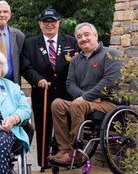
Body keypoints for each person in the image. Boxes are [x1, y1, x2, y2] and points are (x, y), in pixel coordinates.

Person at [48, 23, 123, 166]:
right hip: (85, 102)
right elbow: (70, 84)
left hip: (108, 103)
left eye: (86, 34)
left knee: (78, 103)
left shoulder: (110, 54)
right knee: (57, 103)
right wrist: (85, 96)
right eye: (79, 37)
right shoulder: (76, 60)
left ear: (95, 35)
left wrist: (85, 98)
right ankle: (64, 150)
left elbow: (109, 81)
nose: (83, 39)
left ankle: (75, 153)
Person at [20, 8, 77, 170]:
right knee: (44, 128)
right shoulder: (31, 44)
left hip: (65, 94)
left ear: (58, 23)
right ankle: (45, 162)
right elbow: (25, 67)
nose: (49, 25)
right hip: (42, 93)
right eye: (46, 22)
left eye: (53, 22)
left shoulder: (70, 42)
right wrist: (37, 79)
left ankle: (65, 161)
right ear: (40, 24)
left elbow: (77, 64)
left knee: (64, 127)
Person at [0, 0, 25, 84]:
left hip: (13, 82)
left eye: (5, 12)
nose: (2, 15)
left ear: (10, 15)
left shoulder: (19, 36)